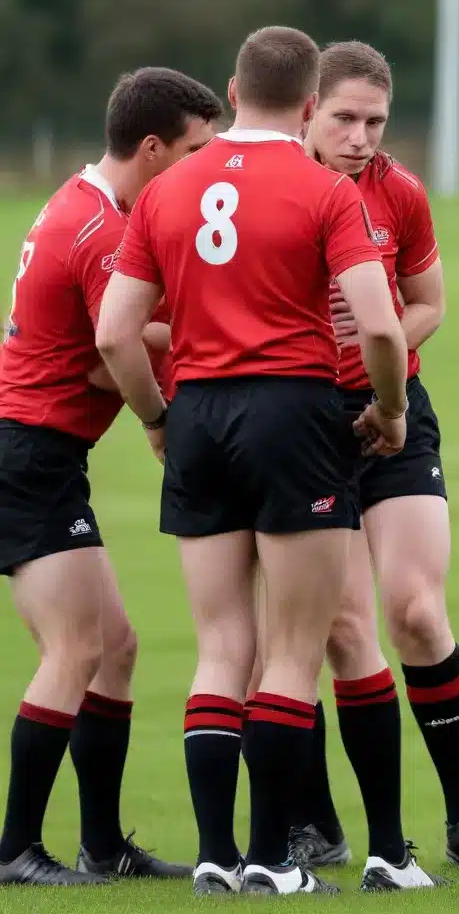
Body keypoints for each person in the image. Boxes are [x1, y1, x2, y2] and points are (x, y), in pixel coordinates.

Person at [95, 26, 410, 897]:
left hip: (198, 413)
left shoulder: (167, 190)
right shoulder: (325, 191)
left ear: (233, 95)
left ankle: (214, 855)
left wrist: (158, 419)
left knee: (219, 649)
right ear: (311, 106)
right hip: (294, 415)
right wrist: (389, 410)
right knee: (293, 651)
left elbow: (115, 332)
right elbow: (382, 325)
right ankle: (273, 859)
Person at [276, 41, 459, 884]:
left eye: (375, 121)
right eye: (344, 118)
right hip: (301, 424)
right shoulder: (273, 191)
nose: (360, 137)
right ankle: (314, 825)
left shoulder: (399, 192)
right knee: (334, 628)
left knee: (418, 612)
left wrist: (384, 357)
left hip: (395, 419)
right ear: (307, 112)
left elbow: (427, 304)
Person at [0, 67, 221, 886]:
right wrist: (162, 416)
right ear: (153, 147)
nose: (205, 167)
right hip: (27, 455)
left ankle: (101, 848)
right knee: (75, 648)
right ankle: (17, 849)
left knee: (115, 648)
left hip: (39, 452)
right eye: (196, 151)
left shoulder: (92, 202)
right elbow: (109, 353)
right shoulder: (98, 228)